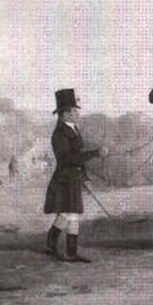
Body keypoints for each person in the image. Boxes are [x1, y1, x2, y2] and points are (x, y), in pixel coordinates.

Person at [43, 89, 109, 263]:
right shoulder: (59, 134)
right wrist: (95, 153)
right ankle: (67, 251)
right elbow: (67, 158)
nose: (77, 113)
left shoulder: (72, 129)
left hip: (72, 178)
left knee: (68, 214)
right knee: (70, 215)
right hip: (64, 179)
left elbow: (77, 154)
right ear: (64, 114)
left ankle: (53, 244)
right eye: (74, 110)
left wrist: (87, 167)